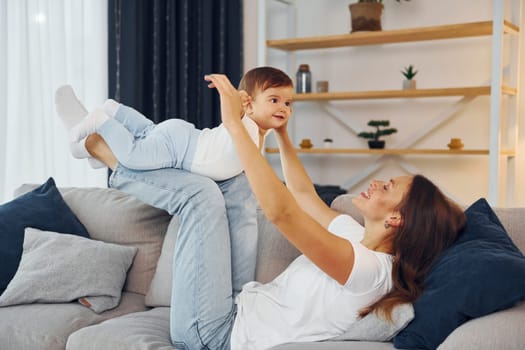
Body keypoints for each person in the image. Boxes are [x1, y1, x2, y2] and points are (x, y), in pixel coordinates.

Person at [62, 72, 466, 350]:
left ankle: (104, 152)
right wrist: (279, 134)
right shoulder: (354, 234)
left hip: (216, 336)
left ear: (397, 219)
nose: (379, 182)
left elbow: (283, 213)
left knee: (200, 197)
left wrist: (236, 126)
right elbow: (304, 196)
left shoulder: (369, 272)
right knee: (234, 182)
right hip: (237, 303)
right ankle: (135, 136)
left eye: (390, 187)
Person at [56, 66, 293, 181]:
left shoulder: (259, 131)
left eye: (288, 103)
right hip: (182, 151)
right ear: (248, 103)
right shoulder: (247, 126)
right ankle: (102, 121)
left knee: (148, 131)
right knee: (132, 156)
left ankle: (115, 110)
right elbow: (256, 171)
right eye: (274, 100)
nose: (283, 107)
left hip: (183, 138)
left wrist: (279, 130)